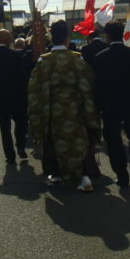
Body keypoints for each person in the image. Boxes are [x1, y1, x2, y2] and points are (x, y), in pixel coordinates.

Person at [27, 20, 101, 191]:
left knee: (55, 143)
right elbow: (87, 86)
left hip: (53, 111)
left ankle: (59, 173)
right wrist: (91, 113)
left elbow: (35, 91)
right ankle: (84, 177)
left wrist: (37, 117)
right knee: (79, 142)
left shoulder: (43, 61)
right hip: (76, 110)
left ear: (52, 37)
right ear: (67, 37)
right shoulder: (77, 59)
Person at [93, 21, 130, 187]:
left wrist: (97, 107)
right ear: (123, 34)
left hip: (110, 105)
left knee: (113, 139)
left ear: (107, 36)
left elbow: (98, 86)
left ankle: (121, 174)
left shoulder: (100, 57)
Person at [0, 29, 29, 164]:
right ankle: (21, 147)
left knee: (4, 127)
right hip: (17, 96)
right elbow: (22, 74)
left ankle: (10, 156)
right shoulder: (16, 56)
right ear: (9, 41)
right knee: (21, 122)